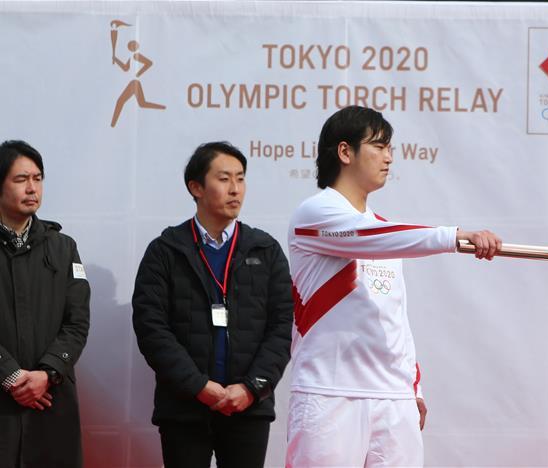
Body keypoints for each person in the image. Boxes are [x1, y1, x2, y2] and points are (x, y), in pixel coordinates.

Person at [286, 106, 501, 467]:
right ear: (345, 152)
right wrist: (455, 237)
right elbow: (369, 236)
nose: (389, 157)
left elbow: (396, 319)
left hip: (392, 399)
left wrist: (413, 388)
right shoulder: (315, 214)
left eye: (391, 148)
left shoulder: (385, 235)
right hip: (330, 394)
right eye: (379, 146)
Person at [132, 141, 293, 468]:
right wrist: (199, 387)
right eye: (224, 179)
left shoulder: (265, 249)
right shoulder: (165, 251)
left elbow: (282, 327)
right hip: (184, 408)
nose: (235, 189)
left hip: (247, 407)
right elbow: (152, 329)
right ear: (196, 187)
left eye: (241, 178)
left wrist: (251, 388)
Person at [0, 140, 91, 467]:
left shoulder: (64, 248)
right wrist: (10, 375)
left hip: (50, 401)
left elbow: (77, 322)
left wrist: (47, 373)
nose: (32, 188)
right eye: (21, 180)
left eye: (37, 178)